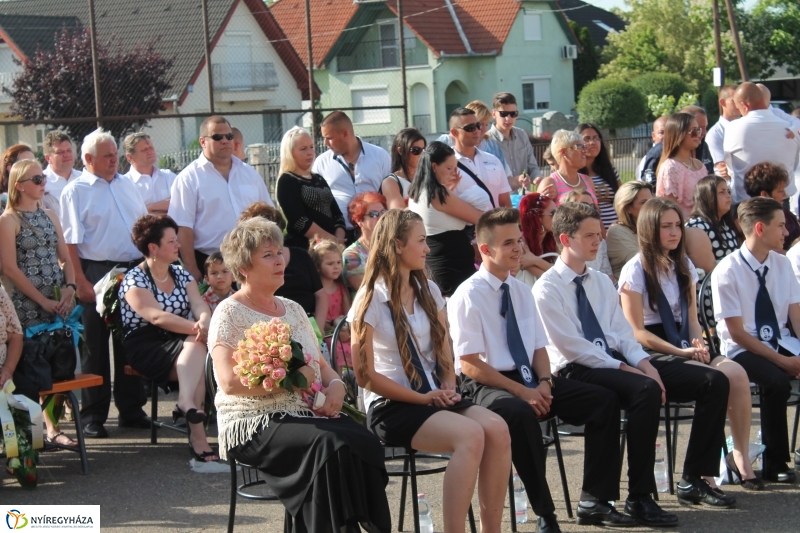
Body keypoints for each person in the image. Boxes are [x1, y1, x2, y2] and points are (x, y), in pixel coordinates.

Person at [534, 202, 733, 524]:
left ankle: (695, 478)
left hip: (615, 361)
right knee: (643, 390)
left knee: (712, 381)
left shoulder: (599, 281)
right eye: (588, 236)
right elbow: (570, 346)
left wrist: (645, 364)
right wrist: (625, 369)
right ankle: (638, 496)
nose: (597, 242)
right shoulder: (547, 288)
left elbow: (623, 334)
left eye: (598, 234)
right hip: (577, 367)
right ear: (565, 239)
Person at [450, 208, 633, 532]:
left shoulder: (522, 289)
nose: (519, 249)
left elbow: (538, 347)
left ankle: (595, 501)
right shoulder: (469, 294)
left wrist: (545, 382)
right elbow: (470, 364)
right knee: (519, 413)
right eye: (509, 243)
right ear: (486, 249)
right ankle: (545, 514)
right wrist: (523, 391)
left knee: (602, 400)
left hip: (531, 378)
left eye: (519, 240)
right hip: (487, 383)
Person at [209, 217, 391, 533]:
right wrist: (288, 379)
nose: (280, 260)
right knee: (330, 445)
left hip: (305, 412)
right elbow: (228, 382)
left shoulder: (293, 309)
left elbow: (321, 364)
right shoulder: (229, 312)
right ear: (243, 268)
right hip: (253, 420)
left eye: (279, 252)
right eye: (268, 255)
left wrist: (334, 386)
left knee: (364, 440)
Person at [348, 209, 510, 533]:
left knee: (498, 428)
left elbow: (444, 349)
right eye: (420, 241)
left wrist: (448, 383)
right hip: (392, 404)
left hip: (432, 393)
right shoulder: (369, 299)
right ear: (396, 245)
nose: (427, 248)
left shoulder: (429, 290)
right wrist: (422, 399)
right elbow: (365, 376)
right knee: (470, 435)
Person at [619, 198, 760, 490]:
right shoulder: (635, 270)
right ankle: (699, 477)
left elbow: (692, 319)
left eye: (677, 226)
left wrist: (699, 344)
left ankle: (740, 456)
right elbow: (636, 332)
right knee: (714, 379)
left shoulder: (683, 265)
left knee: (736, 374)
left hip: (684, 342)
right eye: (665, 227)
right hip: (652, 351)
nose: (674, 233)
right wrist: (681, 352)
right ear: (648, 230)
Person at [61, 128, 149, 438]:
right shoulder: (76, 191)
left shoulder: (128, 185)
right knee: (95, 346)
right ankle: (93, 415)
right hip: (96, 271)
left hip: (132, 270)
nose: (114, 160)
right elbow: (70, 242)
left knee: (131, 341)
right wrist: (80, 280)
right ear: (88, 159)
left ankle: (131, 408)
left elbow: (142, 225)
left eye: (115, 154)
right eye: (107, 156)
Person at [711, 197, 800, 483]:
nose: (786, 233)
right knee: (776, 381)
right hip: (742, 349)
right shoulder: (727, 270)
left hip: (781, 341)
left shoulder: (783, 265)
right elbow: (736, 333)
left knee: (780, 374)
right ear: (760, 229)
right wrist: (783, 361)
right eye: (781, 226)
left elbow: (796, 315)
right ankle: (775, 462)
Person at [119, 214, 217, 462]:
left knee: (197, 348)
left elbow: (199, 304)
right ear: (153, 248)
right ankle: (198, 439)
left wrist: (203, 321)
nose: (179, 245)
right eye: (172, 241)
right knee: (198, 353)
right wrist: (198, 329)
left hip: (183, 336)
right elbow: (156, 317)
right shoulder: (134, 279)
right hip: (146, 344)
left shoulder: (181, 273)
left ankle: (185, 403)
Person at [0, 159, 78, 447]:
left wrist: (69, 288)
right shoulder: (8, 221)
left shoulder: (49, 215)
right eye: (36, 179)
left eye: (43, 177)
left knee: (58, 366)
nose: (43, 183)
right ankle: (35, 437)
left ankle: (52, 428)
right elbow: (9, 269)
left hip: (57, 304)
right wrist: (42, 300)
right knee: (30, 373)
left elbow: (65, 258)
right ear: (19, 186)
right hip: (26, 307)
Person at [168, 115, 274, 281]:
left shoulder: (249, 173)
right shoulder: (188, 178)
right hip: (211, 264)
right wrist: (191, 268)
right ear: (203, 142)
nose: (225, 141)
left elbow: (268, 215)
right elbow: (183, 227)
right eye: (218, 137)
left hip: (251, 260)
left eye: (229, 136)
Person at [408, 142, 487, 296]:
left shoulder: (417, 191)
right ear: (434, 166)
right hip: (451, 267)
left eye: (455, 168)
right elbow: (479, 218)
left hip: (443, 264)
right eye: (449, 168)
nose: (453, 172)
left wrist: (449, 189)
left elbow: (439, 215)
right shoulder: (437, 194)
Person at [237, 202, 328, 334]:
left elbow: (320, 295)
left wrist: (317, 330)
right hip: (270, 332)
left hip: (308, 326)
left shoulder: (301, 255)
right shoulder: (249, 264)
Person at [312, 111, 391, 243]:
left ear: (344, 134)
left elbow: (389, 195)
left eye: (329, 137)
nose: (325, 142)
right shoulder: (321, 163)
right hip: (339, 235)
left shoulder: (380, 156)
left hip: (375, 232)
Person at [723, 82, 800, 206]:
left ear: (744, 105)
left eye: (739, 108)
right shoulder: (790, 128)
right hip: (781, 199)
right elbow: (794, 165)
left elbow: (730, 167)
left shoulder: (733, 128)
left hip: (747, 202)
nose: (739, 112)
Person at [276, 126, 346, 249]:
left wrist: (339, 238)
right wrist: (332, 240)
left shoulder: (318, 179)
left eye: (311, 147)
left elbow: (337, 214)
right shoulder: (287, 181)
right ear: (290, 153)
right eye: (303, 149)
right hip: (304, 249)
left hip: (332, 250)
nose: (310, 152)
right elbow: (299, 221)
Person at [450, 107, 512, 208]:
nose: (477, 131)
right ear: (454, 133)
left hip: (494, 223)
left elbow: (504, 202)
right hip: (465, 223)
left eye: (478, 126)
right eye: (470, 128)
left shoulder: (493, 160)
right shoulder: (446, 165)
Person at [309, 239, 352, 371]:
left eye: (339, 262)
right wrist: (334, 328)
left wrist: (346, 329)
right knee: (332, 346)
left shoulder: (340, 288)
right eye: (330, 263)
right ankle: (338, 382)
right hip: (328, 334)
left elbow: (349, 313)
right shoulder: (315, 291)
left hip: (344, 331)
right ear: (317, 266)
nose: (336, 267)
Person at [655, 112, 708, 218]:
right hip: (685, 227)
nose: (699, 135)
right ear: (679, 134)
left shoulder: (699, 165)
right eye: (693, 132)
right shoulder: (670, 167)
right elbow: (670, 208)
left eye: (699, 130)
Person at [488, 92, 541, 190]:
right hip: (502, 199)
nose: (508, 119)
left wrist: (537, 178)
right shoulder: (487, 141)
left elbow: (532, 166)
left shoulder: (522, 135)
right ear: (494, 114)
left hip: (524, 196)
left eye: (513, 114)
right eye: (503, 114)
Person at [744, 162, 800, 251]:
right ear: (764, 194)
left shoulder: (786, 213)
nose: (785, 194)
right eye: (780, 191)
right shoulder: (750, 221)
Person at [562, 191, 614, 281]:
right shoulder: (563, 240)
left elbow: (608, 276)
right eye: (584, 206)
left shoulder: (601, 242)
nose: (590, 210)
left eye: (592, 206)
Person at [122, 133, 177, 217]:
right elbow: (131, 215)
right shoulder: (125, 184)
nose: (150, 152)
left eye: (151, 148)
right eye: (144, 150)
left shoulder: (168, 176)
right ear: (130, 157)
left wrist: (150, 208)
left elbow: (182, 202)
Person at [576, 123, 620, 227]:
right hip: (592, 231)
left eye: (596, 138)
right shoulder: (576, 174)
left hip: (616, 229)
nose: (592, 142)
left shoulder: (610, 171)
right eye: (586, 139)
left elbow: (621, 199)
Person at [606, 181, 653, 279]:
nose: (651, 206)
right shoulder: (616, 232)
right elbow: (644, 264)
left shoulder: (655, 227)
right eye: (644, 202)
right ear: (628, 208)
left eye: (652, 202)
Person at [342, 192, 387, 291]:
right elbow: (365, 289)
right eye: (374, 214)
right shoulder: (351, 254)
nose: (381, 218)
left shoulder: (394, 245)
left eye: (383, 212)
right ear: (359, 220)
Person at [537, 130, 596, 205]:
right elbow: (541, 214)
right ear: (563, 152)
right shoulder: (550, 183)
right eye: (579, 147)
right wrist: (545, 202)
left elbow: (597, 213)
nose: (584, 151)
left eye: (584, 147)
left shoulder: (588, 181)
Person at [380, 128, 425, 209]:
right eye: (416, 150)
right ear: (401, 151)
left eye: (424, 150)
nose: (421, 154)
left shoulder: (427, 176)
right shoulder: (391, 182)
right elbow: (400, 216)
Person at [517, 193, 558, 283]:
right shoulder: (520, 242)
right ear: (538, 217)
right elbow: (555, 278)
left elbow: (563, 274)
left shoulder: (553, 240)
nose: (557, 217)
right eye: (553, 213)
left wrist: (535, 260)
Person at [42, 131, 81, 218]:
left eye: (69, 150)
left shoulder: (83, 179)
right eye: (60, 152)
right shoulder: (40, 182)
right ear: (48, 158)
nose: (66, 155)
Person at [706, 85, 741, 177]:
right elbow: (724, 171)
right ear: (722, 102)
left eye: (741, 100)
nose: (739, 104)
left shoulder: (748, 126)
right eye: (734, 100)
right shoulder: (715, 133)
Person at [1, 144, 36, 211]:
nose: (32, 166)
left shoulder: (40, 194)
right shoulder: (2, 201)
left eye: (34, 162)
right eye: (25, 164)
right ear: (10, 168)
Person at [637, 116, 667, 183]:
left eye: (669, 132)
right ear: (653, 136)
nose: (666, 136)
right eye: (661, 133)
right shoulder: (650, 158)